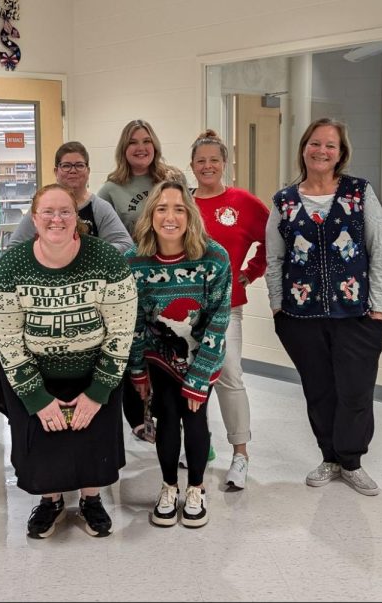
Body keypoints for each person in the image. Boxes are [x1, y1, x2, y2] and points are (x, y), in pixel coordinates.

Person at [0, 184, 138, 539]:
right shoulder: (10, 268)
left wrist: (98, 391)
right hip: (33, 372)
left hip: (95, 369)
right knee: (43, 445)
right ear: (35, 219)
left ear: (77, 219)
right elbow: (6, 339)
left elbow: (120, 332)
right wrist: (36, 397)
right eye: (48, 213)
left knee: (92, 441)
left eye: (65, 212)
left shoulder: (107, 261)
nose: (57, 219)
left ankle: (90, 498)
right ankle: (50, 501)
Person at [265, 117, 382, 497]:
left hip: (356, 314)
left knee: (355, 391)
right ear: (304, 148)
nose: (321, 151)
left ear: (341, 153)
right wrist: (277, 307)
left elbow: (378, 250)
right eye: (315, 143)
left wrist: (379, 307)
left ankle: (351, 461)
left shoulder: (358, 193)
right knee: (319, 390)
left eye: (330, 146)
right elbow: (275, 259)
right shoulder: (284, 201)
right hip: (299, 317)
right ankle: (329, 457)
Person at [126, 179, 231, 528]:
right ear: (150, 215)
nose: (170, 216)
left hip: (202, 355)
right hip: (159, 354)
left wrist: (199, 379)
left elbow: (218, 319)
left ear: (190, 215)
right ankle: (169, 486)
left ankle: (197, 489)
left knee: (195, 416)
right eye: (161, 208)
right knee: (167, 415)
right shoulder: (134, 261)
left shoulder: (214, 258)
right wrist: (138, 370)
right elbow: (135, 321)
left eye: (178, 208)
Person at [95, 119, 186, 445]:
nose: (141, 147)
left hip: (171, 280)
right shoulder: (110, 189)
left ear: (155, 145)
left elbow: (189, 221)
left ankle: (168, 415)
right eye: (133, 141)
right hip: (131, 281)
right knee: (132, 349)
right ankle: (138, 419)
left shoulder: (171, 179)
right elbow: (108, 239)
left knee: (167, 347)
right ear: (124, 148)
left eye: (146, 140)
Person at [189, 130, 269, 492]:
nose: (207, 166)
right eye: (201, 160)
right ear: (192, 166)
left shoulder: (243, 203)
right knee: (188, 378)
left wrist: (249, 274)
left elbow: (273, 240)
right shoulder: (182, 203)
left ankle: (240, 453)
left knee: (228, 376)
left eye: (214, 160)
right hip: (183, 309)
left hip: (227, 308)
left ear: (224, 164)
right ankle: (199, 445)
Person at [6, 141, 133, 253]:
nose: (73, 170)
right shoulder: (42, 207)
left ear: (88, 171)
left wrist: (84, 252)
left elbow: (126, 245)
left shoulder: (100, 208)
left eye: (79, 165)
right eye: (66, 166)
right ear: (56, 172)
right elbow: (14, 247)